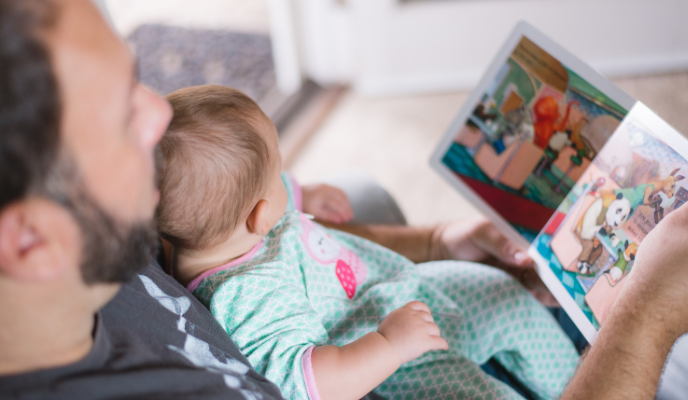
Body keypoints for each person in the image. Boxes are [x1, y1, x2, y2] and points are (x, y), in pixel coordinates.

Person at [0, 1, 688, 399]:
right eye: (121, 115)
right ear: (29, 241)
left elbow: (273, 234)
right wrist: (647, 319)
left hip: (381, 303)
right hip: (392, 365)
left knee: (368, 194)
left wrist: (433, 240)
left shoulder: (123, 218)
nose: (158, 114)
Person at [156, 85, 580, 400]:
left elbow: (256, 191)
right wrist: (390, 344)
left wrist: (302, 193)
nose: (285, 179)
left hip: (400, 287)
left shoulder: (225, 227)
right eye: (279, 173)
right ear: (260, 215)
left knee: (504, 294)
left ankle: (577, 382)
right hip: (399, 361)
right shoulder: (248, 296)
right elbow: (308, 383)